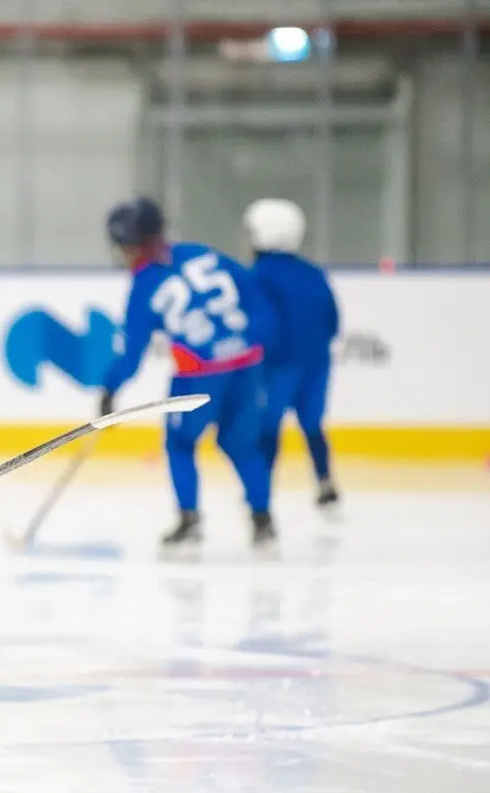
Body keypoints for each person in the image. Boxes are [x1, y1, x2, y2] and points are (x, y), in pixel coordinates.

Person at [98, 196, 278, 549]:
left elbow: (132, 354)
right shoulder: (202, 253)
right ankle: (263, 519)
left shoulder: (145, 285)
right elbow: (256, 296)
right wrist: (253, 345)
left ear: (133, 244)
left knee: (180, 443)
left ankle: (189, 518)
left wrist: (109, 388)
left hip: (199, 376)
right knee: (242, 445)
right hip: (246, 365)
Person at [244, 198, 342, 512]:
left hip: (277, 366)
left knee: (268, 429)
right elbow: (332, 321)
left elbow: (258, 323)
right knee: (313, 426)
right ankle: (325, 483)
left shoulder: (259, 275)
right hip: (316, 364)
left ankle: (261, 490)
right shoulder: (313, 272)